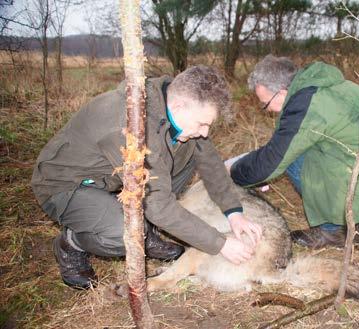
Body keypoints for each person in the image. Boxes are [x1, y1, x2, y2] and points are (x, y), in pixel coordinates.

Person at [32, 66, 262, 289]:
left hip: (116, 178)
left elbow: (211, 164)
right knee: (126, 234)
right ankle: (71, 244)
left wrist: (234, 213)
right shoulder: (132, 124)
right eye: (203, 123)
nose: (205, 132)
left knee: (193, 148)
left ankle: (147, 230)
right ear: (180, 105)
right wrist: (220, 244)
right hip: (68, 183)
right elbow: (159, 206)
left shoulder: (172, 107)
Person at [227, 55, 359, 249]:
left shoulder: (305, 106)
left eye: (265, 104)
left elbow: (271, 162)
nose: (268, 110)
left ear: (281, 92)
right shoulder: (328, 86)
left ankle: (332, 230)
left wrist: (232, 172)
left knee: (295, 159)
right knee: (318, 147)